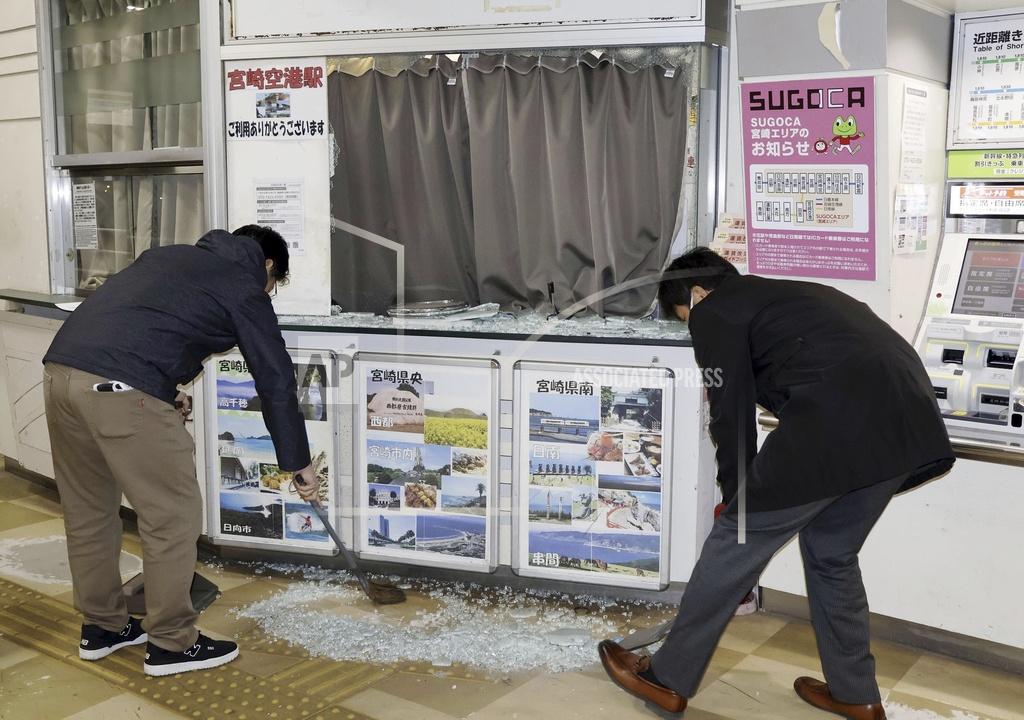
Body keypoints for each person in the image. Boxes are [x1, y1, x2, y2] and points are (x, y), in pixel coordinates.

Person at [598, 248, 954, 720]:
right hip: (906, 428)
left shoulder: (715, 312)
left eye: (685, 317)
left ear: (697, 294)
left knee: (732, 543)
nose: (692, 325)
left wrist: (736, 501)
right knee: (831, 554)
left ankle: (665, 680)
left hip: (836, 425)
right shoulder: (790, 295)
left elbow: (731, 416)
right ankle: (855, 693)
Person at [42, 225, 321, 677]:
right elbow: (274, 378)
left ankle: (104, 627)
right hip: (119, 389)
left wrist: (160, 389)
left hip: (60, 377)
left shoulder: (166, 257)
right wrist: (297, 462)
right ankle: (172, 642)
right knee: (172, 515)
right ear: (267, 265)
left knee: (89, 512)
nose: (269, 292)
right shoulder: (243, 285)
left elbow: (141, 325)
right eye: (274, 284)